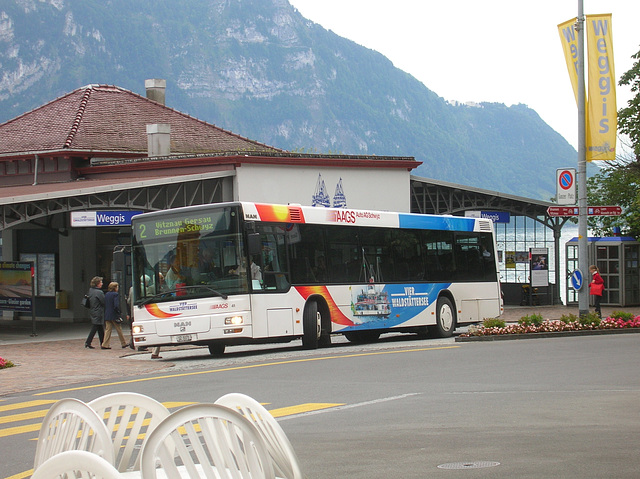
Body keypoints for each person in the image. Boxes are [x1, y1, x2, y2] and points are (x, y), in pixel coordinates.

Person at [102, 282, 130, 349]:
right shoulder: (115, 294)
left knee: (108, 330)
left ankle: (105, 344)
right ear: (115, 288)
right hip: (114, 314)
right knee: (119, 329)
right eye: (117, 287)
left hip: (107, 314)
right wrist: (119, 312)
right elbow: (116, 305)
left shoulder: (107, 294)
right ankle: (123, 343)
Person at [84, 276, 106, 349]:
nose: (102, 284)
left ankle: (102, 342)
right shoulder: (99, 292)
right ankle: (88, 342)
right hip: (98, 311)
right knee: (96, 326)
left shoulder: (91, 291)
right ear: (97, 284)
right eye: (101, 282)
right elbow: (103, 302)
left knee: (99, 327)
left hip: (93, 310)